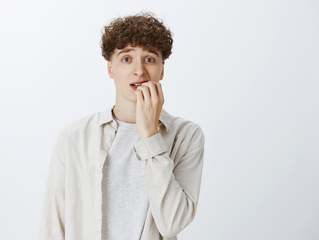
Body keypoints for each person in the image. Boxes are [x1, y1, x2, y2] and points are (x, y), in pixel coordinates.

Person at [39, 12, 205, 240]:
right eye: (126, 59)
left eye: (149, 59)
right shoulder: (73, 137)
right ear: (110, 68)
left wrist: (149, 135)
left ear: (162, 70)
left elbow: (172, 223)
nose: (139, 71)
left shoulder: (186, 136)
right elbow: (53, 226)